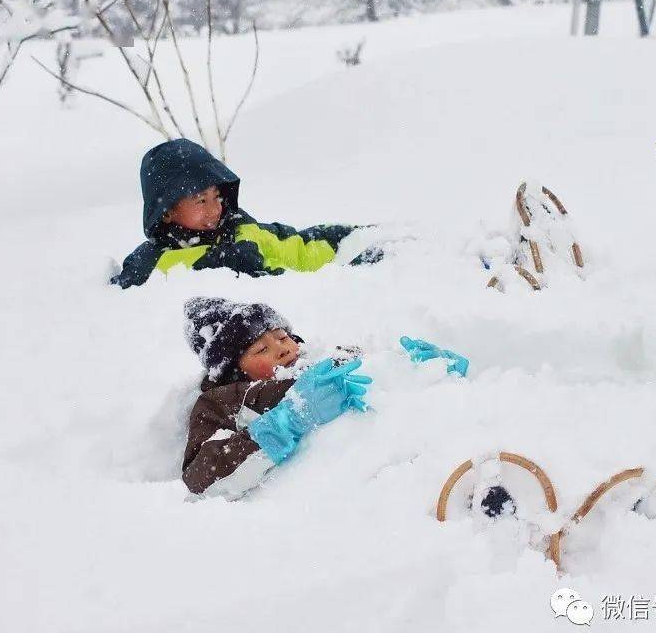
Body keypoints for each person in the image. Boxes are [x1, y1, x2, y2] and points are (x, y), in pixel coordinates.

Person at [180, 297, 469, 498]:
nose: (282, 349)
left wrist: (423, 368)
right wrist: (288, 421)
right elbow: (201, 478)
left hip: (414, 466)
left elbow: (383, 382)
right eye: (260, 350)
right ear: (235, 370)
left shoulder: (333, 360)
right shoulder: (223, 401)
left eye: (282, 337)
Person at [110, 139, 379, 288]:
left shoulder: (239, 229)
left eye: (216, 196)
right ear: (166, 211)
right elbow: (131, 282)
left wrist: (341, 237)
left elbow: (295, 247)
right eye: (201, 200)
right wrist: (221, 261)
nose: (215, 208)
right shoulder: (153, 260)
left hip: (315, 293)